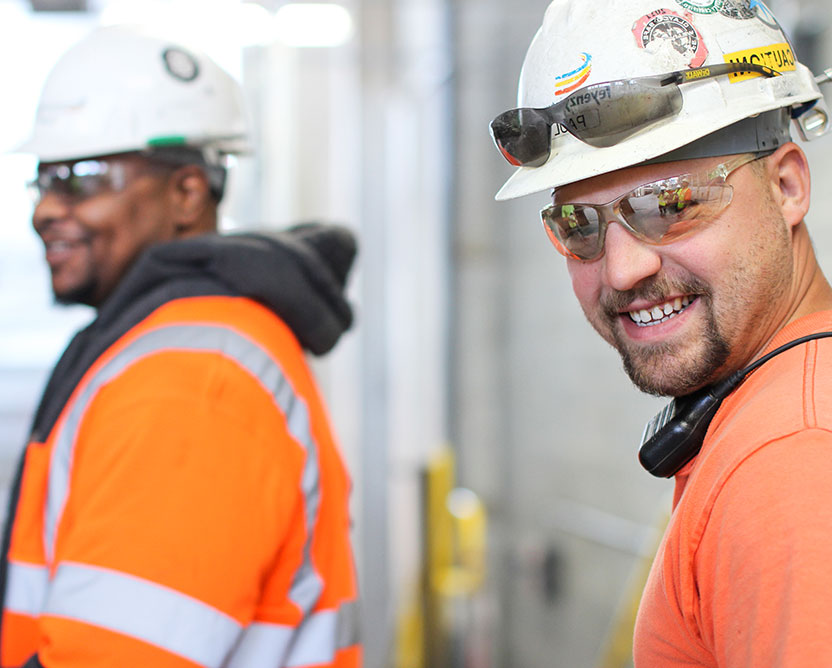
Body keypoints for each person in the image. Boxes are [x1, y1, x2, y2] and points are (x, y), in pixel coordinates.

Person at [1, 24, 361, 668]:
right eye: (44, 178)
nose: (46, 209)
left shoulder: (194, 378)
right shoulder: (171, 343)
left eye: (81, 177)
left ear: (187, 193)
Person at [490, 0, 832, 665]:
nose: (622, 269)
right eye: (580, 227)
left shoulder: (794, 460)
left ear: (787, 185)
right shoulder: (773, 413)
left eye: (672, 203)